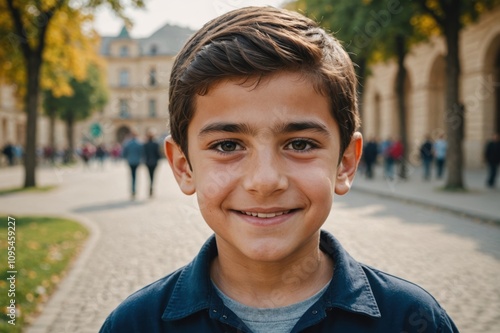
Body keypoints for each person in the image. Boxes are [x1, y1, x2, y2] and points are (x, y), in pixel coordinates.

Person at [100, 7, 458, 333]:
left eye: (300, 144)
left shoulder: (415, 320)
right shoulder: (134, 324)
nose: (265, 180)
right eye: (227, 146)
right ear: (183, 166)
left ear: (346, 162)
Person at [121, 131, 143, 199]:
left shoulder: (128, 143)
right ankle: (134, 189)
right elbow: (142, 152)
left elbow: (124, 153)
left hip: (130, 161)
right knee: (135, 175)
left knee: (132, 175)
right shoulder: (139, 143)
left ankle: (133, 190)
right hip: (137, 161)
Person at [143, 128, 161, 197]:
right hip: (154, 162)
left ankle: (150, 187)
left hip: (147, 162)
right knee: (153, 175)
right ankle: (151, 187)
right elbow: (158, 154)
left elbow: (144, 153)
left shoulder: (145, 144)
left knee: (149, 175)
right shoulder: (155, 144)